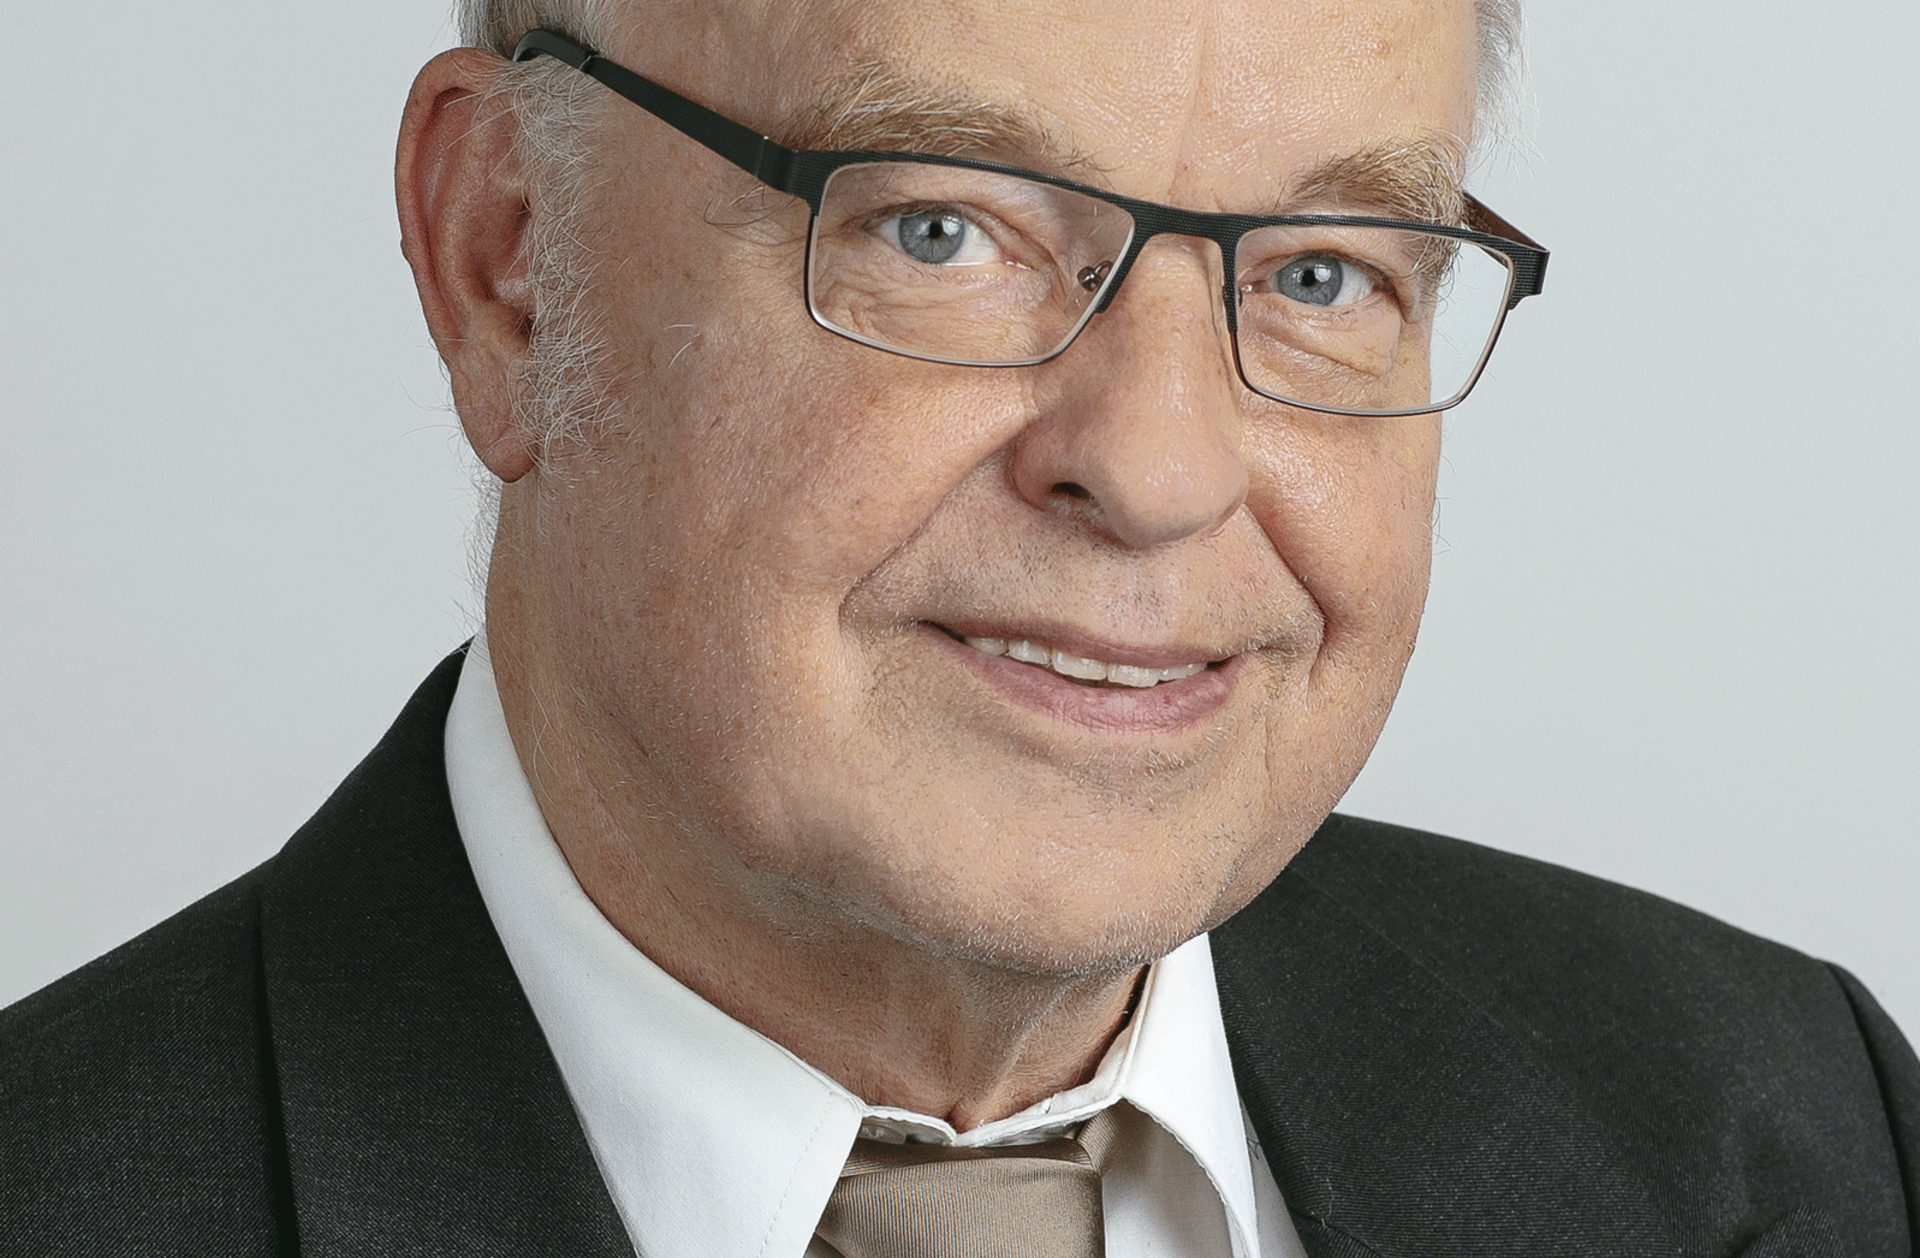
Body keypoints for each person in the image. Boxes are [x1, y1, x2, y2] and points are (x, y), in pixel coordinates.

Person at [3, 0, 1914, 1254]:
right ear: (505, 256)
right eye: (942, 228)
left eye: (1325, 272)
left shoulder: (1790, 1134)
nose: (1157, 468)